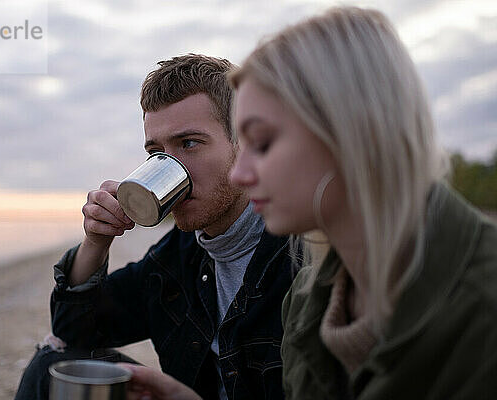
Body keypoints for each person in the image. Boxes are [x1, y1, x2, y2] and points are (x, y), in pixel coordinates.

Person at [125, 6, 497, 400]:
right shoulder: (310, 296)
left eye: (263, 143)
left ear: (350, 130)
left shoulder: (481, 306)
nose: (240, 174)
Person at [14, 54, 298, 400]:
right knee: (50, 364)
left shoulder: (301, 253)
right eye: (156, 153)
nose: (171, 165)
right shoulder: (179, 254)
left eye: (189, 143)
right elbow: (73, 330)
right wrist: (96, 242)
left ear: (243, 145)